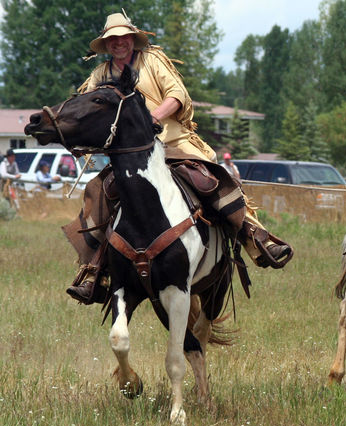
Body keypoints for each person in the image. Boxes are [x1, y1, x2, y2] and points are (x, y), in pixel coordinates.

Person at [65, 12, 292, 304]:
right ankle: (96, 271)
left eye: (123, 37)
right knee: (99, 192)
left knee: (213, 179)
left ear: (133, 39)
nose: (119, 43)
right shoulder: (100, 76)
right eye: (113, 39)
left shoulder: (153, 61)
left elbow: (177, 95)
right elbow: (88, 112)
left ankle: (255, 237)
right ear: (106, 45)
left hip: (174, 142)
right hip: (130, 156)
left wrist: (151, 118)